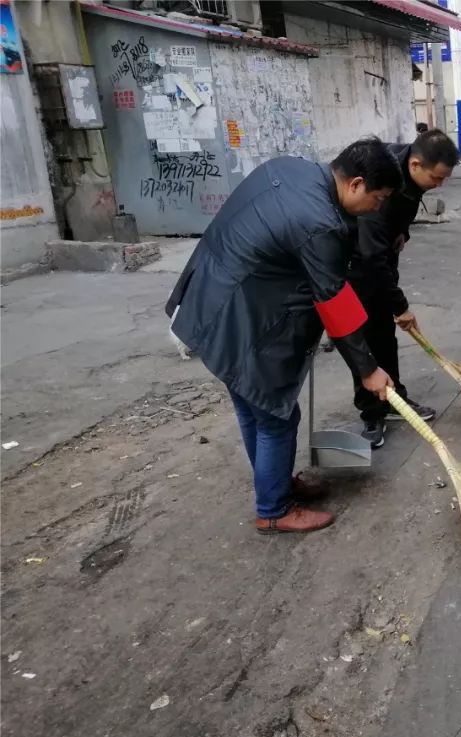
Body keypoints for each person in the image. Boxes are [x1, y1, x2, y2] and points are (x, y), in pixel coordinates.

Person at [166, 140, 401, 534]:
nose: (376, 208)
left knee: (251, 406)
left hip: (214, 294)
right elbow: (332, 299)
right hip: (240, 313)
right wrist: (368, 370)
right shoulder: (320, 223)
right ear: (356, 184)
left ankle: (274, 483)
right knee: (276, 415)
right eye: (377, 199)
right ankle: (273, 509)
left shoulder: (294, 168)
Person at [349, 128, 461, 449]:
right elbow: (372, 256)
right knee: (365, 337)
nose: (439, 185)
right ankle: (372, 411)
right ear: (415, 165)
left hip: (381, 253)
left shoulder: (411, 174)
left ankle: (394, 398)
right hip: (356, 263)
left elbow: (403, 212)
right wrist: (401, 306)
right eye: (436, 178)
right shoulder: (381, 183)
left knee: (385, 335)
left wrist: (402, 231)